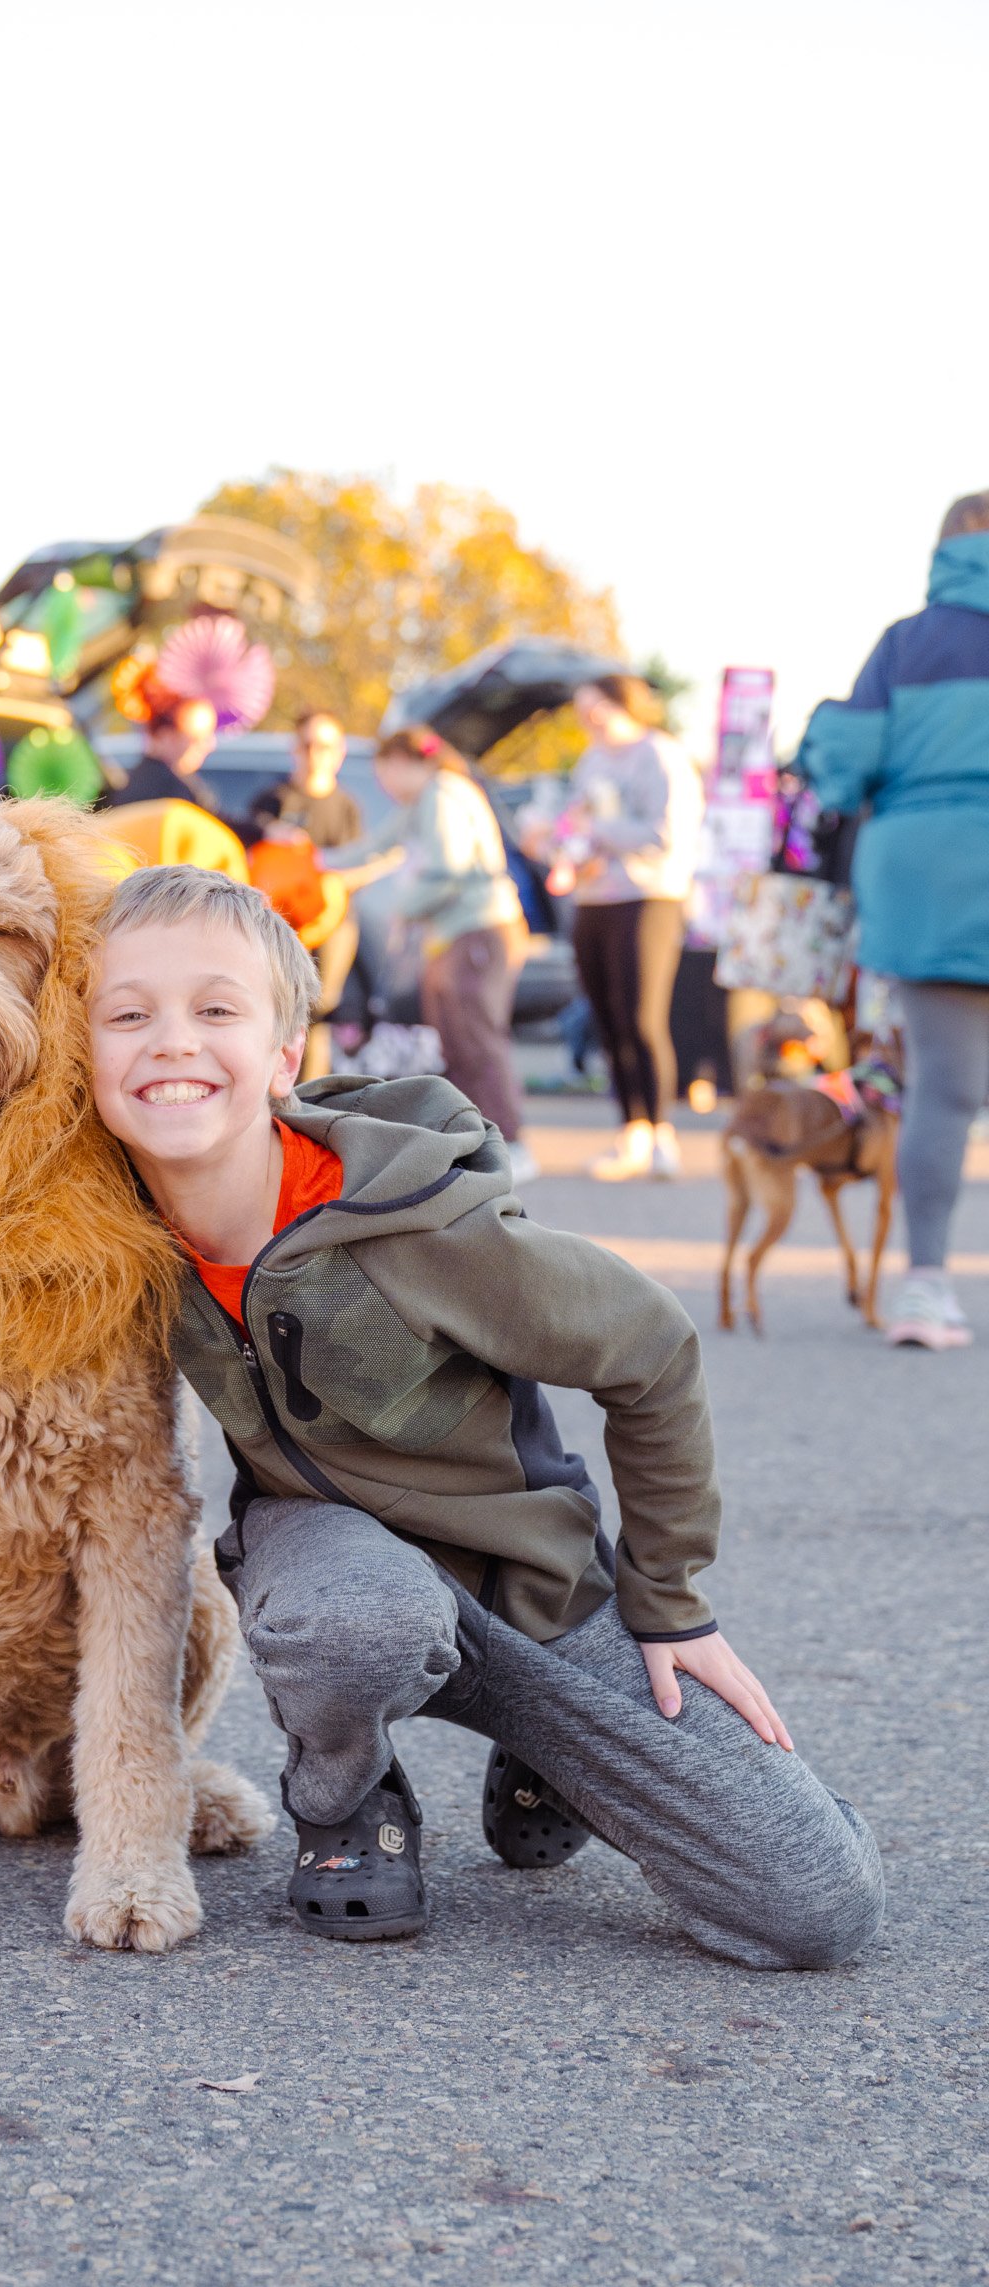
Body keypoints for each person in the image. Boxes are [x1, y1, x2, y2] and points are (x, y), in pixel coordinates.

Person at [86, 865, 883, 1967]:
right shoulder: (100, 1233)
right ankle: (347, 1797)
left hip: (529, 1586)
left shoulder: (417, 1228)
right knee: (350, 1622)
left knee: (815, 1908)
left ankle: (544, 1748)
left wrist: (671, 1607)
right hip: (338, 1574)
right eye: (126, 1015)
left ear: (282, 1057)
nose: (171, 1040)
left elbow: (650, 1351)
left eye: (215, 1009)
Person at [798, 492, 989, 1351]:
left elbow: (843, 763)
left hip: (922, 868)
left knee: (945, 1090)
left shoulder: (907, 643)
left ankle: (923, 1289)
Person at [373, 726, 536, 1184]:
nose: (384, 785)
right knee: (456, 1042)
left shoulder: (442, 794)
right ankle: (476, 1142)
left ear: (404, 763)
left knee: (477, 1039)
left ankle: (512, 1142)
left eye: (384, 772)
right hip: (457, 935)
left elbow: (450, 870)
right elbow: (377, 846)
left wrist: (401, 911)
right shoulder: (427, 799)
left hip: (478, 929)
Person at [563, 674, 703, 1181]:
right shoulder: (591, 760)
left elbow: (664, 834)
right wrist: (562, 844)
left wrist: (595, 830)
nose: (586, 718)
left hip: (649, 897)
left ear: (622, 704)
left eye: (592, 706)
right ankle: (632, 1132)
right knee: (606, 1016)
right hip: (593, 897)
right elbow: (576, 824)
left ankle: (662, 1132)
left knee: (642, 1017)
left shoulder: (660, 755)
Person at [243, 709, 363, 849]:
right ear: (295, 748)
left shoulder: (347, 809)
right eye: (307, 746)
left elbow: (354, 863)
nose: (313, 754)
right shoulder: (271, 801)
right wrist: (268, 831)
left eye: (323, 747)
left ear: (340, 752)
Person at [100, 693, 220, 812]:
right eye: (197, 738)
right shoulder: (168, 792)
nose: (210, 745)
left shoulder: (144, 781)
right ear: (165, 737)